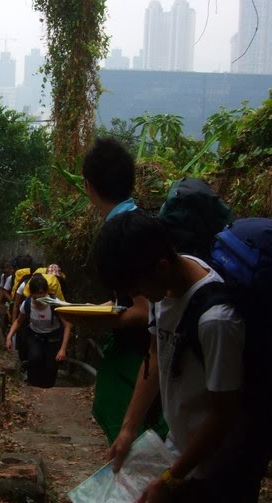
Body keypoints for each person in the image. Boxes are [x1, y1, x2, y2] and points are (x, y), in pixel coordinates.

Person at [96, 211, 266, 503]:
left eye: (137, 289)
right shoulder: (163, 289)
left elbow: (224, 414)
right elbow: (155, 355)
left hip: (219, 471)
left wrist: (171, 479)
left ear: (161, 266)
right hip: (180, 454)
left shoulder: (216, 320)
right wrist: (128, 430)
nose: (137, 297)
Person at [79, 136, 167, 441]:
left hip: (138, 357)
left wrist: (97, 320)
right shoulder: (136, 219)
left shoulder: (122, 233)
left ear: (89, 186)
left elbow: (142, 311)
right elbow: (128, 299)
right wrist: (97, 309)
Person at [5, 274, 72, 388]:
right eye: (36, 295)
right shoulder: (27, 304)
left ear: (46, 292)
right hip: (35, 335)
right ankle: (33, 387)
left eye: (42, 294)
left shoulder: (54, 304)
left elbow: (67, 326)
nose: (39, 298)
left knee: (51, 367)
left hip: (53, 338)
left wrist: (63, 349)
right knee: (34, 358)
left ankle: (48, 389)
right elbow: (19, 321)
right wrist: (9, 337)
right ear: (31, 294)